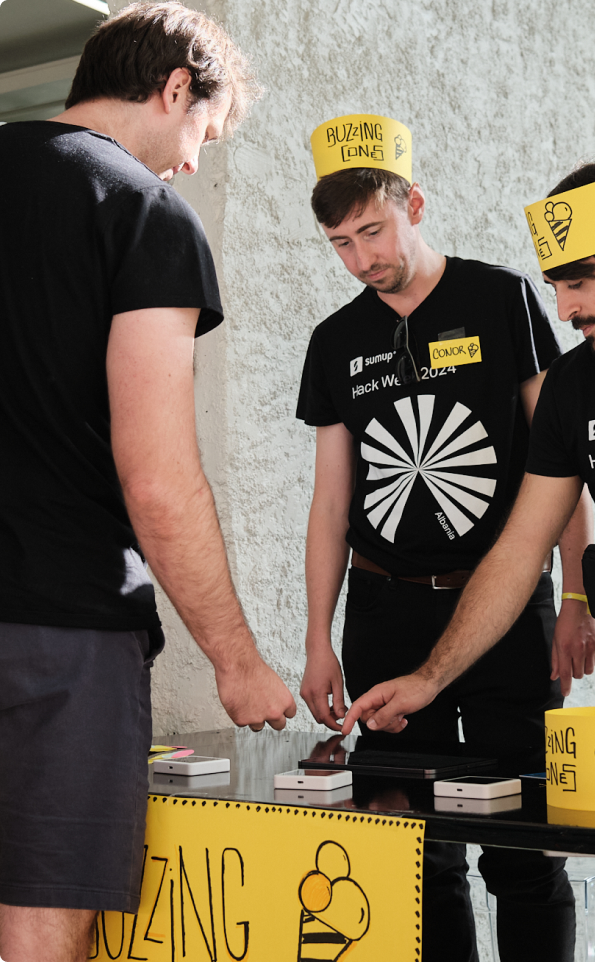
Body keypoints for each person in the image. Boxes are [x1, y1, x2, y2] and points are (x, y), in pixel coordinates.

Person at [343, 152, 595, 962]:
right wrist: (429, 677)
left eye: (578, 283)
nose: (562, 307)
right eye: (553, 285)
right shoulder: (574, 388)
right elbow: (520, 551)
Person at [0, 4, 296, 960]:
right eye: (203, 134)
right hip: (59, 631)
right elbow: (160, 478)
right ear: (176, 88)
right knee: (42, 925)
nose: (192, 164)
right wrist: (238, 662)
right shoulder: (140, 209)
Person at [297, 114, 595, 962]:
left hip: (504, 611)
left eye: (373, 230)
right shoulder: (334, 341)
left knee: (521, 852)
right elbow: (330, 505)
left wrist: (577, 598)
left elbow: (563, 468)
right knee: (414, 855)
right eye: (340, 244)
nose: (362, 260)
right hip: (383, 613)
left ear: (415, 204)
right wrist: (318, 641)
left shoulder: (501, 297)